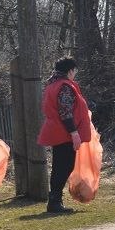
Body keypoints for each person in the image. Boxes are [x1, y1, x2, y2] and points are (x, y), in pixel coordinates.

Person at [38, 56, 92, 214]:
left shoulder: (53, 84)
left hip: (57, 131)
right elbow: (65, 111)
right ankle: (55, 201)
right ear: (70, 71)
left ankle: (55, 200)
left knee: (59, 166)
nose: (75, 74)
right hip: (64, 132)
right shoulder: (65, 86)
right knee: (64, 166)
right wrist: (74, 132)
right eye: (75, 71)